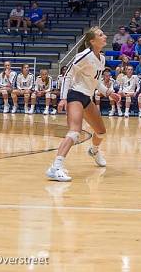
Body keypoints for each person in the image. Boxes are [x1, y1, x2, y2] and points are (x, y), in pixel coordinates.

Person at [46, 27, 121, 182]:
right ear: (92, 41)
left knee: (101, 132)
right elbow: (67, 74)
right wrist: (64, 98)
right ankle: (55, 167)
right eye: (101, 35)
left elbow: (96, 82)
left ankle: (94, 151)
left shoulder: (101, 58)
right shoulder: (84, 55)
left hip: (87, 97)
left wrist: (108, 92)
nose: (105, 36)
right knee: (75, 132)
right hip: (75, 95)